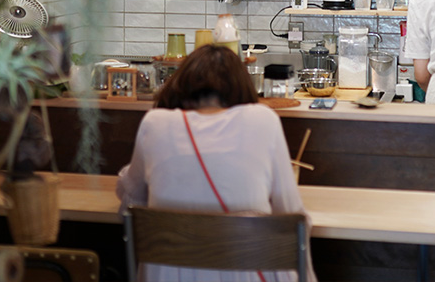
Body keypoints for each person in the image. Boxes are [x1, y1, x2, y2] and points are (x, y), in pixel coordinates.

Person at [116, 44, 315, 282]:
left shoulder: (156, 123)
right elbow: (291, 215)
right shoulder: (262, 120)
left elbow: (130, 199)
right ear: (241, 87)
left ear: (181, 84)